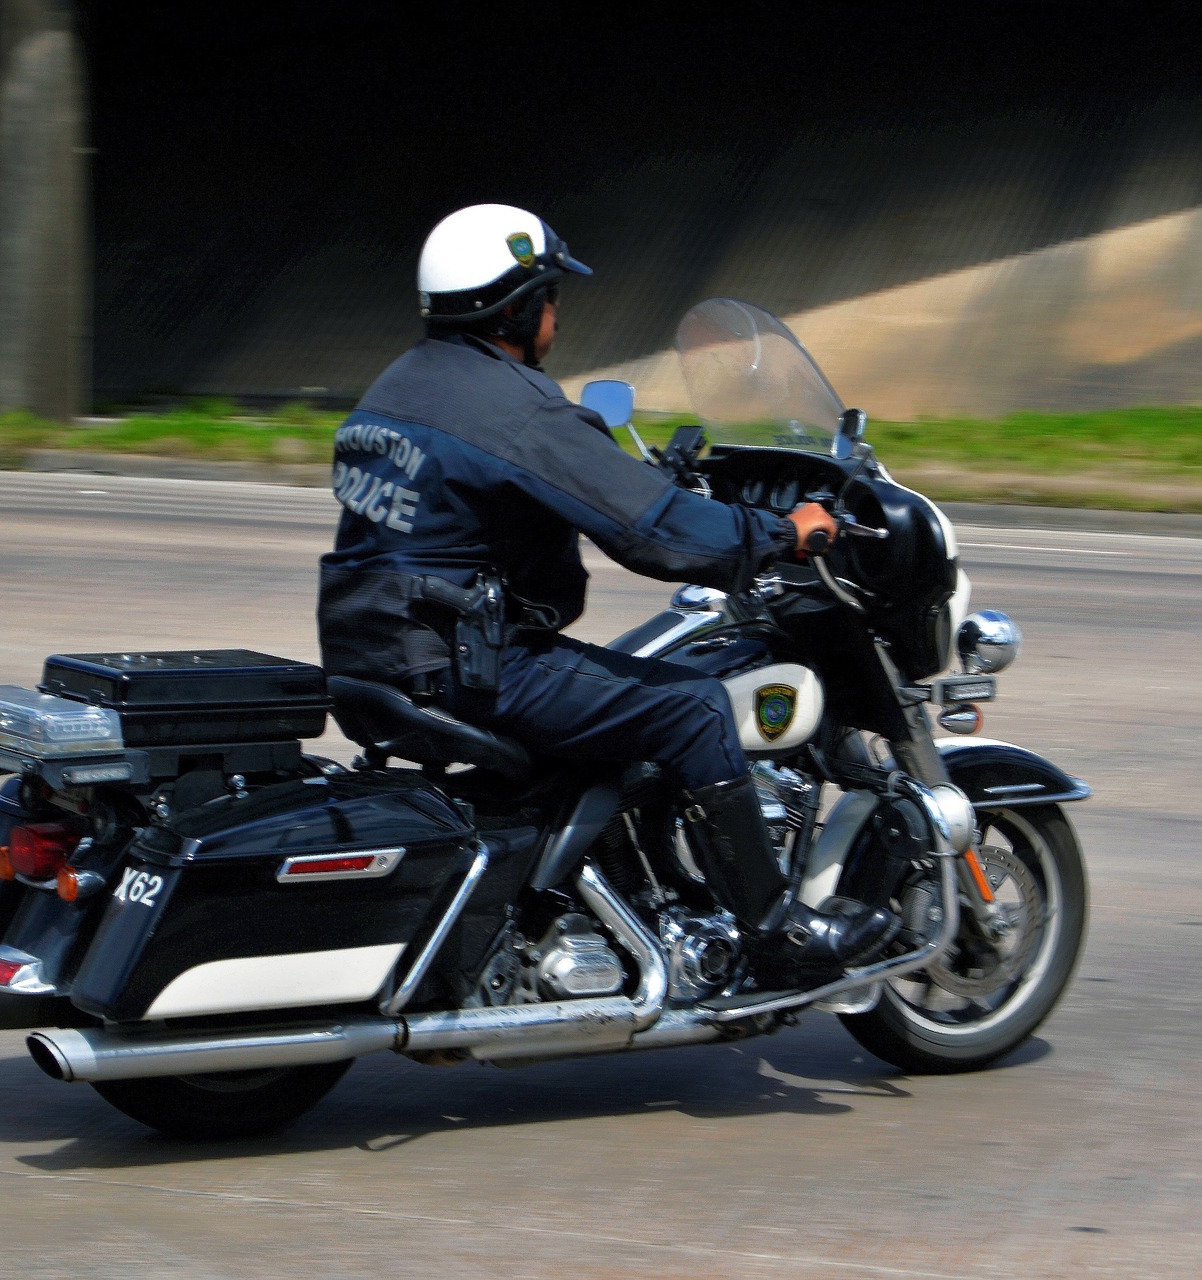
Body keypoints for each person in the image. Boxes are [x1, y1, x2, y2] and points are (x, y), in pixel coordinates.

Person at [317, 203, 892, 975]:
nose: (556, 315)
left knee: (619, 691)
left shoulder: (398, 388)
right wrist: (785, 532)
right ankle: (776, 932)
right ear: (518, 307)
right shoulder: (514, 409)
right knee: (694, 708)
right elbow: (660, 537)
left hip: (374, 658)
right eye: (550, 297)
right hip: (469, 669)